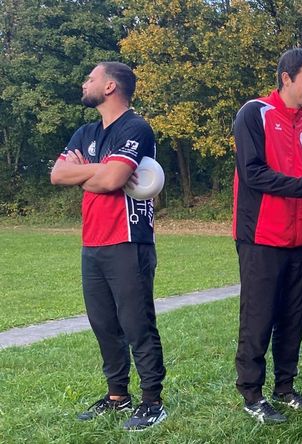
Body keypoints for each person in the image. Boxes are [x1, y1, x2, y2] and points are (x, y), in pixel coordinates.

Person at [50, 62, 167, 431]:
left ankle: (152, 401)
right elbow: (57, 175)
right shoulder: (85, 131)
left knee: (137, 323)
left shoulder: (136, 127)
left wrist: (89, 172)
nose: (85, 82)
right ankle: (118, 396)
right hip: (93, 242)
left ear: (111, 86)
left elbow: (114, 179)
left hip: (129, 240)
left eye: (91, 78)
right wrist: (98, 171)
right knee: (103, 323)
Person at [232, 48, 302, 424]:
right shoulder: (254, 113)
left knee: (293, 317)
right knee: (258, 317)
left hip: (296, 238)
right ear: (286, 78)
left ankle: (285, 388)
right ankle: (251, 393)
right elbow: (253, 174)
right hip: (259, 235)